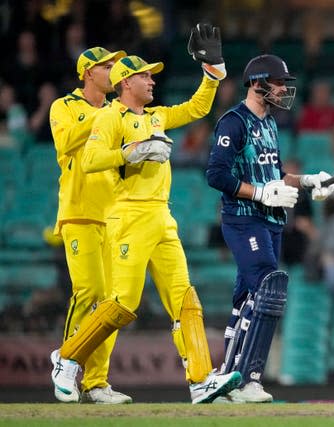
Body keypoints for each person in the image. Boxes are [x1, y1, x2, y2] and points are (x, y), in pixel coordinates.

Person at [49, 24, 241, 405]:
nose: (152, 79)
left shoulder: (154, 117)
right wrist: (130, 153)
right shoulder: (107, 116)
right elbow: (88, 159)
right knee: (119, 303)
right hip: (127, 216)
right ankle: (68, 357)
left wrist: (213, 74)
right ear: (124, 82)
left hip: (160, 218)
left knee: (185, 299)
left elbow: (197, 108)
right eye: (143, 75)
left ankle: (201, 378)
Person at [205, 53, 334, 403]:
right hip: (244, 218)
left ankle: (226, 380)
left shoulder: (270, 124)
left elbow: (277, 176)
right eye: (278, 83)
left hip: (272, 221)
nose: (282, 89)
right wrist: (260, 192)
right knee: (268, 287)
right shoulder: (234, 122)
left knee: (245, 298)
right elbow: (216, 175)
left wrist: (308, 181)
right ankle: (249, 379)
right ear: (258, 83)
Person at [49, 46, 130, 404]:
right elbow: (65, 141)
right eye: (107, 66)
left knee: (110, 303)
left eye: (115, 65)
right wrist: (104, 116)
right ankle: (65, 359)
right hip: (79, 212)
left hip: (113, 216)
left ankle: (96, 383)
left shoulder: (118, 113)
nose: (114, 71)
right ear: (88, 73)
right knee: (90, 292)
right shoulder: (63, 107)